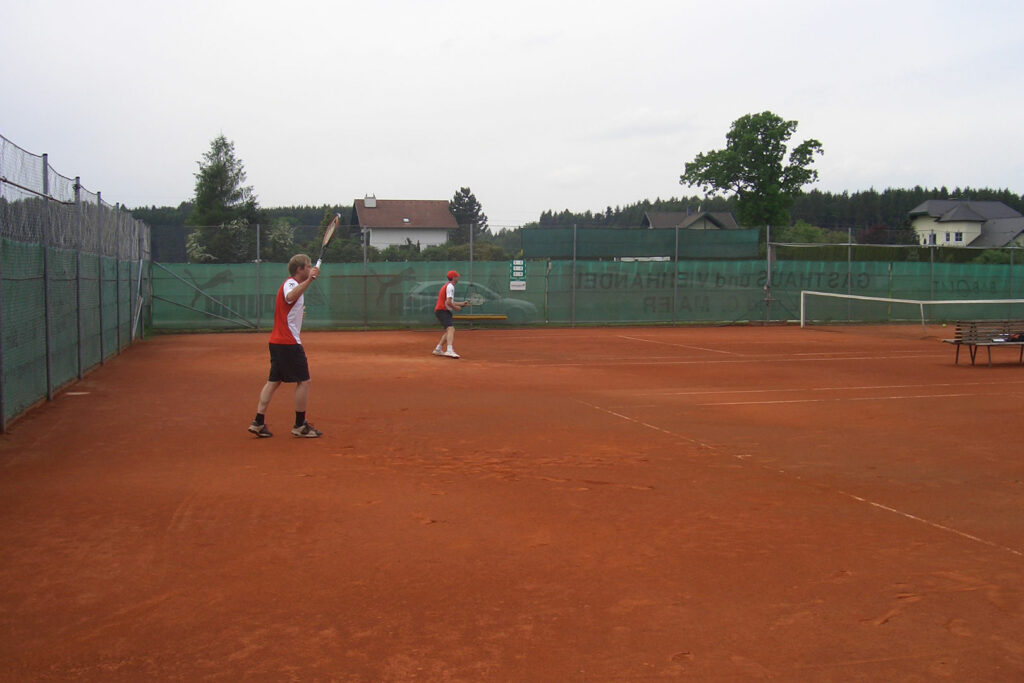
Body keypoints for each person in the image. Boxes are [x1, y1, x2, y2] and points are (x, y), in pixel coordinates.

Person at [248, 254, 323, 438]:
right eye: (307, 266)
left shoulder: (293, 285)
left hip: (278, 342)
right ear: (300, 270)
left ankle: (258, 422)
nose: (310, 268)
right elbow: (290, 296)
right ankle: (299, 425)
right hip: (288, 343)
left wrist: (298, 316)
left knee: (273, 382)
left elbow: (288, 307)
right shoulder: (291, 284)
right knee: (304, 382)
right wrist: (311, 280)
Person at [433, 270, 470, 359]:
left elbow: (450, 302)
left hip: (442, 310)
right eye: (457, 277)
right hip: (442, 310)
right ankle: (449, 350)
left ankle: (438, 349)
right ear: (454, 278)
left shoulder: (448, 286)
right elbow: (449, 302)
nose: (458, 278)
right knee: (451, 329)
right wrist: (456, 308)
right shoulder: (450, 287)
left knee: (449, 330)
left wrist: (462, 304)